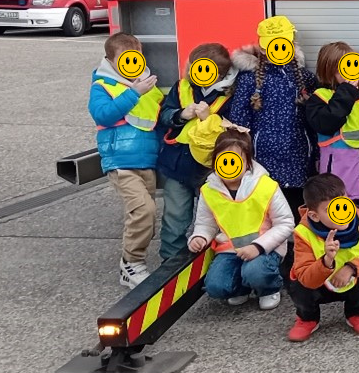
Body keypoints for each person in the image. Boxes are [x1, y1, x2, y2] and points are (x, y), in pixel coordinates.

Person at [90, 31, 165, 288]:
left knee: (144, 214)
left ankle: (133, 263)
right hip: (120, 163)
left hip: (146, 161)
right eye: (125, 59)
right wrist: (134, 93)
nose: (133, 64)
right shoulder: (103, 86)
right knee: (144, 210)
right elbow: (102, 115)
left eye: (137, 58)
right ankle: (131, 263)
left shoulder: (147, 84)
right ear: (111, 61)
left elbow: (159, 117)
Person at [188, 130, 292, 310]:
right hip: (230, 250)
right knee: (215, 286)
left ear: (248, 161)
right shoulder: (209, 190)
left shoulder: (265, 185)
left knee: (255, 271)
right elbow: (206, 223)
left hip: (266, 248)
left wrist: (258, 247)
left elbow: (286, 222)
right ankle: (241, 288)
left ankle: (269, 288)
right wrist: (200, 237)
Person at [226, 16, 318, 214]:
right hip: (263, 159)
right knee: (267, 212)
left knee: (296, 210)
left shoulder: (304, 77)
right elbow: (238, 120)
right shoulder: (249, 79)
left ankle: (297, 246)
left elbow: (316, 115)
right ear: (263, 48)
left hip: (298, 156)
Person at [286, 173, 359, 342]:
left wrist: (351, 267)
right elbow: (306, 277)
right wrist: (326, 261)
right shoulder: (303, 232)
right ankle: (308, 318)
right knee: (297, 281)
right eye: (331, 210)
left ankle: (357, 312)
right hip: (319, 285)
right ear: (314, 215)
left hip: (351, 281)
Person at [157, 43, 238, 263]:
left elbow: (234, 133)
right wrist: (180, 114)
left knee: (214, 218)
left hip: (210, 170)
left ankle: (216, 262)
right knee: (174, 218)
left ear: (220, 73)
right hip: (177, 165)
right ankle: (170, 263)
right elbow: (163, 117)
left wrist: (207, 120)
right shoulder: (182, 87)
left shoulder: (231, 95)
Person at [303, 41, 359, 203]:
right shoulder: (320, 98)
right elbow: (327, 124)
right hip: (336, 192)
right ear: (329, 71)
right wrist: (346, 91)